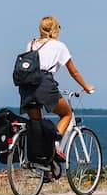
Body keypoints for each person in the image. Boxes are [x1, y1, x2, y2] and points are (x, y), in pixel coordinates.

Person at [18, 15, 95, 164]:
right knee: (67, 114)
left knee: (37, 124)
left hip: (26, 87)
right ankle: (55, 145)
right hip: (44, 86)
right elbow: (74, 72)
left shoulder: (31, 44)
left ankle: (44, 166)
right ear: (55, 29)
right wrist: (86, 87)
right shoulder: (59, 46)